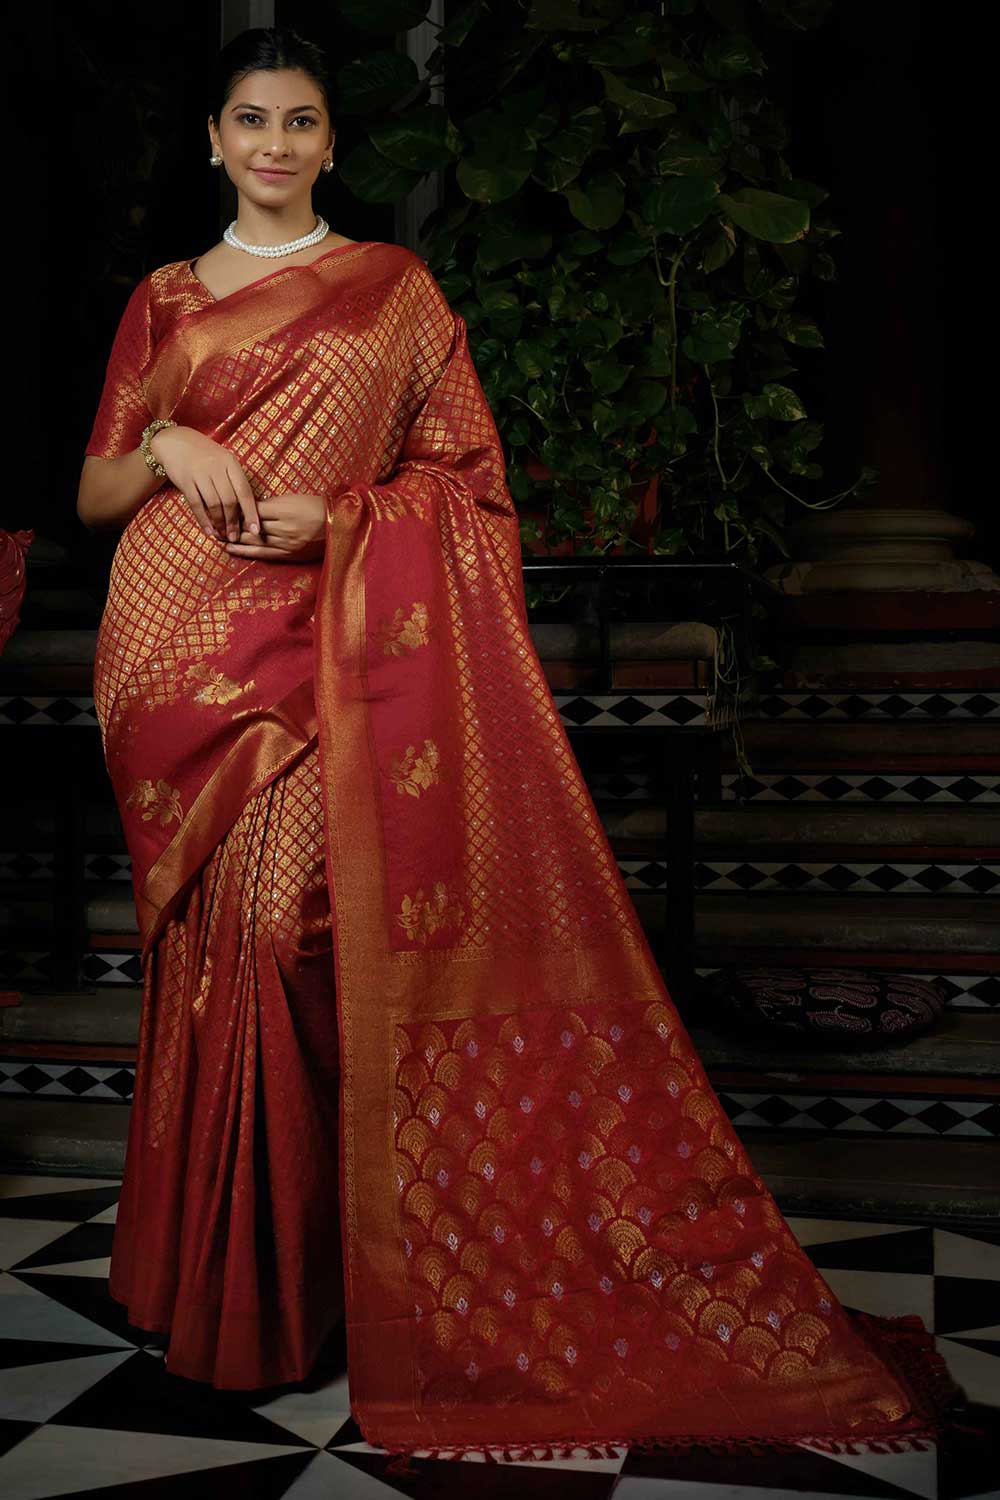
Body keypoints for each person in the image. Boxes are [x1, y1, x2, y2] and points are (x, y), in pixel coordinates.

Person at [77, 23, 960, 1470]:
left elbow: (470, 484)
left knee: (294, 931)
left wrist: (341, 520)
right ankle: (230, 1299)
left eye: (300, 121)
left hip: (334, 636)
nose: (276, 144)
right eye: (251, 120)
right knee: (223, 940)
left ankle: (333, 1276)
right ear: (215, 140)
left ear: (331, 143)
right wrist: (169, 446)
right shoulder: (164, 296)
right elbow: (97, 488)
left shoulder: (396, 292)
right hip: (173, 643)